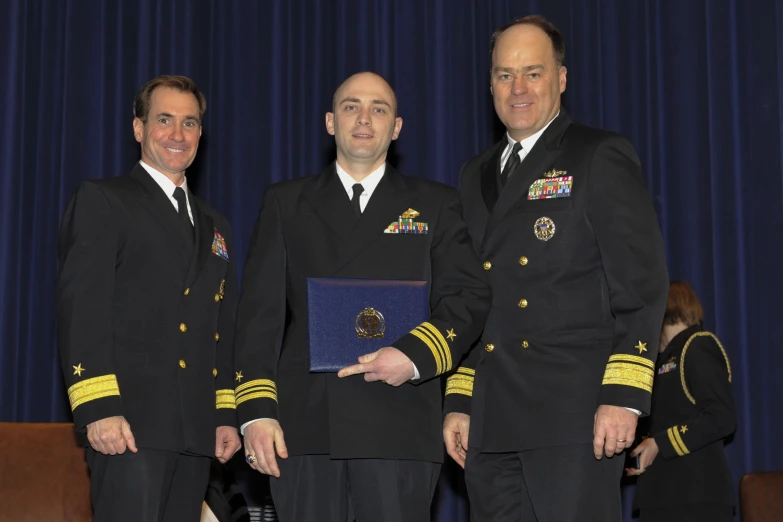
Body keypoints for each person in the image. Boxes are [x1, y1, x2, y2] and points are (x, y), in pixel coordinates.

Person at [233, 71, 491, 522]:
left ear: (397, 127)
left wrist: (412, 357)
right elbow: (259, 319)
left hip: (401, 423)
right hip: (307, 429)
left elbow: (468, 299)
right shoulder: (286, 204)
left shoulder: (436, 205)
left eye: (379, 108)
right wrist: (255, 413)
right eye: (351, 106)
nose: (364, 118)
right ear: (330, 122)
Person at [441, 15, 669, 522]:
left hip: (573, 413)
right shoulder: (473, 173)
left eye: (533, 73)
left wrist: (625, 395)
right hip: (492, 417)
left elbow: (641, 284)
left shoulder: (597, 154)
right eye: (504, 74)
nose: (517, 88)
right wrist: (459, 399)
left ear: (561, 80)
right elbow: (469, 295)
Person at [57, 75, 241, 522]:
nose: (178, 135)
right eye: (164, 120)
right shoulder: (105, 200)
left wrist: (223, 413)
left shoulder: (216, 225)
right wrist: (98, 408)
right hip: (129, 423)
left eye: (190, 123)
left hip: (194, 432)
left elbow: (221, 329)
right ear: (138, 128)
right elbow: (83, 310)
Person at [627, 281, 736, 522]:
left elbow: (721, 417)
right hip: (662, 498)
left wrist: (660, 443)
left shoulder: (697, 345)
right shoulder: (661, 362)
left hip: (695, 498)